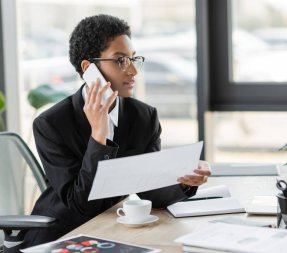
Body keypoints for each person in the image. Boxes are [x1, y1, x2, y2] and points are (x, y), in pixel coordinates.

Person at [23, 14, 211, 247]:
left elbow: (150, 193)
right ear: (88, 67)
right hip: (62, 235)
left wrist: (185, 180)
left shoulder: (144, 117)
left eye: (133, 59)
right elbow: (82, 204)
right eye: (120, 60)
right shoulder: (51, 124)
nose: (133, 71)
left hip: (113, 231)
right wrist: (98, 135)